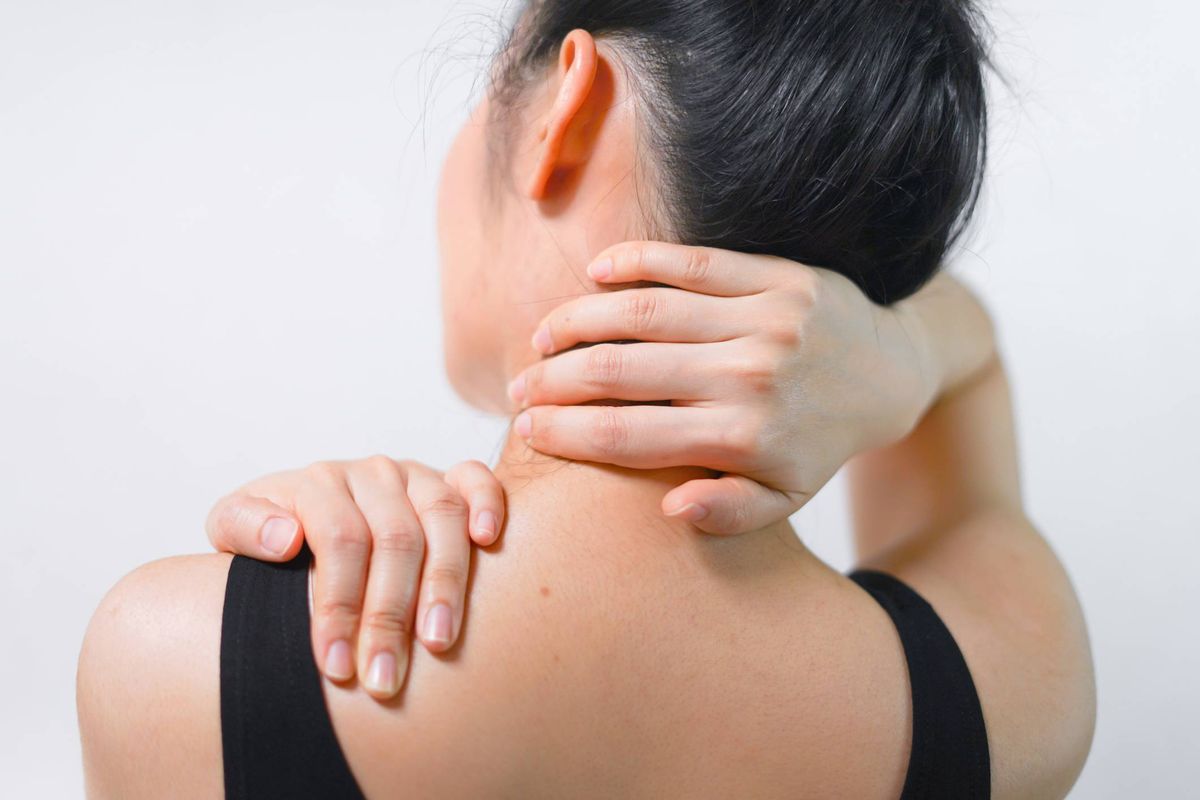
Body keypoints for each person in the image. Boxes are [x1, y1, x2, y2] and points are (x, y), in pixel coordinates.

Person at [76, 1, 1096, 797]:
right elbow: (970, 397)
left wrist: (265, 609)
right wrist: (905, 347)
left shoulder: (175, 666)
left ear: (567, 109)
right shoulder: (1013, 688)